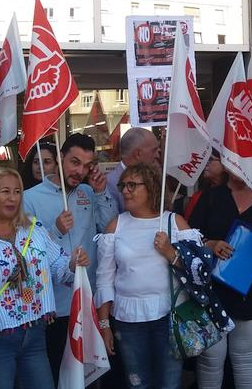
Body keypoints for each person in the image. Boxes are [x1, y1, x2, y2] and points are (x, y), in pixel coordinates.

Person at [0, 167, 89, 389]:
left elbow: (57, 264)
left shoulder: (34, 230)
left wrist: (73, 262)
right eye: (5, 191)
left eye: (18, 191)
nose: (12, 198)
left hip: (34, 334)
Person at [96, 163, 202, 389]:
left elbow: (198, 270)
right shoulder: (116, 226)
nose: (125, 190)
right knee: (137, 383)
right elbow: (104, 278)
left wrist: (170, 253)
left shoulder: (175, 223)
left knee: (170, 384)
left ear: (152, 187)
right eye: (123, 185)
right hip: (128, 320)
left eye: (132, 185)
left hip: (171, 316)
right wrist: (104, 324)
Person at [23, 132, 112, 379]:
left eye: (86, 165)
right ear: (60, 158)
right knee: (58, 374)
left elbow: (108, 229)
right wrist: (55, 230)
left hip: (88, 301)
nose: (80, 171)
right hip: (56, 307)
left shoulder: (88, 191)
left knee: (92, 375)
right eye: (74, 162)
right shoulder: (30, 199)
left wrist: (103, 193)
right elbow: (27, 253)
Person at [189, 171, 252, 389]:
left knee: (245, 358)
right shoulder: (211, 196)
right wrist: (211, 244)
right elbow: (189, 236)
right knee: (211, 358)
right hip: (211, 292)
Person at [104, 127, 161, 217]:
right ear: (138, 154)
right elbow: (111, 223)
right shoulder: (109, 183)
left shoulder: (153, 177)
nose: (158, 155)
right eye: (154, 150)